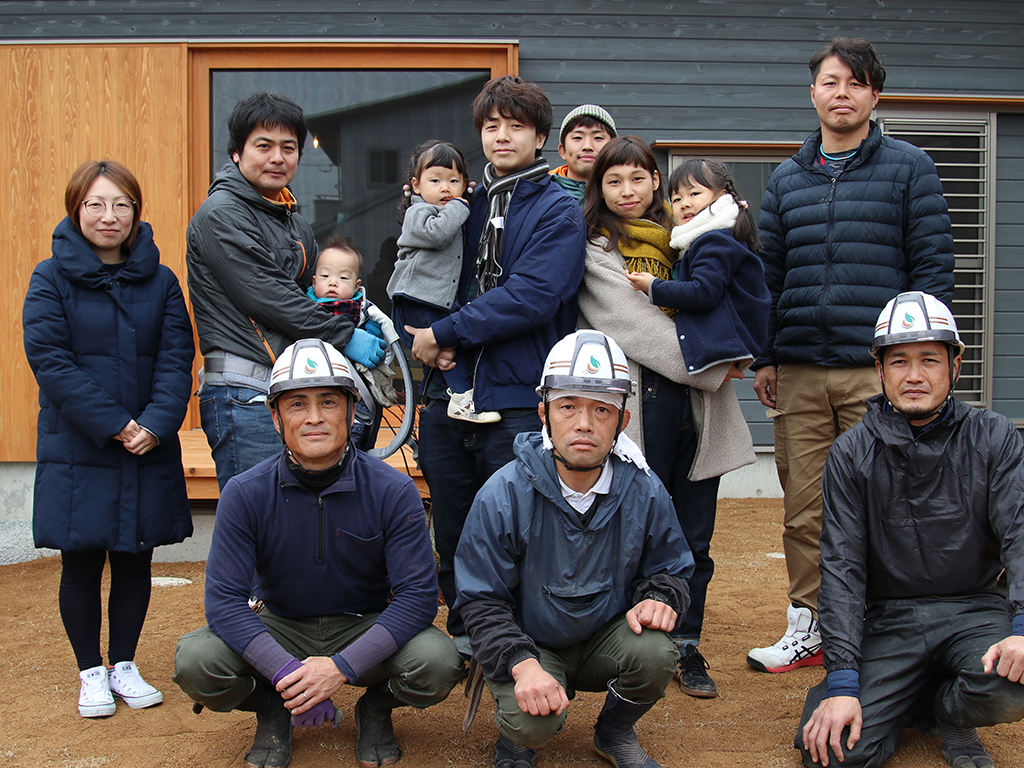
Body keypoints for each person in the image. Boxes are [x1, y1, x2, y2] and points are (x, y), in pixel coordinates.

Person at [748, 36, 955, 674]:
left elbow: (932, 269)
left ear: (874, 94)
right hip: (803, 371)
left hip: (880, 372)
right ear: (813, 93)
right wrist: (766, 358)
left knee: (896, 500)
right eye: (832, 82)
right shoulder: (786, 178)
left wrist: (919, 361)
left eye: (856, 83)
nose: (843, 94)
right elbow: (768, 280)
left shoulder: (909, 167)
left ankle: (890, 624)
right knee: (804, 505)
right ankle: (808, 626)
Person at [173, 339, 463, 768]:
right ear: (275, 418)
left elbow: (417, 600)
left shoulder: (394, 490)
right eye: (296, 405)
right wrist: (286, 675)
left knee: (438, 661)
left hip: (364, 627)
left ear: (350, 410)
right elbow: (223, 603)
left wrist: (340, 668)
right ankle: (273, 708)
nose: (314, 418)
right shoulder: (244, 493)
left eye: (329, 401)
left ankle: (376, 709)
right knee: (197, 660)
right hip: (281, 627)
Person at [797, 292, 1024, 768]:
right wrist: (841, 681)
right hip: (891, 620)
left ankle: (949, 712)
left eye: (929, 360)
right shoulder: (850, 453)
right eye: (899, 360)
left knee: (1013, 685)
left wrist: (1023, 627)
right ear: (879, 370)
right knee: (833, 756)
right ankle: (911, 695)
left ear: (955, 365)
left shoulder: (994, 436)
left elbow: (1020, 533)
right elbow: (841, 566)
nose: (914, 376)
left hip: (976, 608)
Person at [404, 75, 586, 648]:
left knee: (518, 527)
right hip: (444, 396)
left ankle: (518, 642)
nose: (501, 136)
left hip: (516, 398)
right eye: (491, 125)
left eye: (515, 125)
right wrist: (424, 329)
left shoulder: (558, 210)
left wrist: (446, 329)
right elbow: (422, 273)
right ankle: (465, 637)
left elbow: (534, 296)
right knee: (453, 527)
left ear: (539, 136)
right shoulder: (461, 205)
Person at [455, 330, 693, 768]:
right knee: (532, 724)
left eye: (602, 409)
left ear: (622, 421)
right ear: (544, 414)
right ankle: (516, 743)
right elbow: (481, 599)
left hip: (607, 639)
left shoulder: (645, 490)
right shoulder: (503, 492)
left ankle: (615, 731)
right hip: (531, 644)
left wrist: (660, 598)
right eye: (569, 407)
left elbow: (672, 568)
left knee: (657, 652)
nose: (584, 424)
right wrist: (522, 665)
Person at [578, 136, 755, 699]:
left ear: (656, 181)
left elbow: (729, 288)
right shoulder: (595, 247)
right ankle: (632, 643)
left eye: (638, 178)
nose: (627, 191)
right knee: (632, 535)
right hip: (641, 405)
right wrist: (713, 364)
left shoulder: (688, 236)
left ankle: (686, 643)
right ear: (598, 188)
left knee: (694, 539)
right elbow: (633, 324)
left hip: (699, 414)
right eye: (614, 181)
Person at [23, 159, 195, 718]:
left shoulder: (162, 280)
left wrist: (156, 422)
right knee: (80, 563)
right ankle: (90, 672)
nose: (109, 215)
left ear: (136, 212)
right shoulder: (50, 277)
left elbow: (176, 357)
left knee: (134, 559)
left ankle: (124, 663)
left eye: (121, 204)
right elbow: (50, 360)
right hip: (81, 446)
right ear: (77, 209)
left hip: (147, 442)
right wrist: (116, 424)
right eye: (96, 204)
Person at [186, 91, 386, 489]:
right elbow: (273, 299)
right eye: (264, 145)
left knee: (302, 517)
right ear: (237, 153)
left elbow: (313, 297)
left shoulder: (292, 221)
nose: (277, 157)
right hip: (245, 394)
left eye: (288, 147)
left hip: (289, 387)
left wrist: (353, 313)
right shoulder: (221, 214)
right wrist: (346, 334)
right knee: (257, 520)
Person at [386, 139, 498, 423]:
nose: (445, 188)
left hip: (430, 298)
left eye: (453, 180)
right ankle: (463, 397)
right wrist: (461, 206)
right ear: (417, 185)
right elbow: (437, 234)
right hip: (415, 297)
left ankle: (461, 397)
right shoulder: (419, 212)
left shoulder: (447, 212)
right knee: (448, 343)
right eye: (435, 180)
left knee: (446, 350)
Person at [627, 157, 770, 374]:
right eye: (676, 199)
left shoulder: (714, 240)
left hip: (727, 341)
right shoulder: (717, 237)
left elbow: (703, 292)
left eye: (694, 194)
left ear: (722, 196)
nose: (684, 203)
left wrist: (653, 286)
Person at [306, 234, 397, 451]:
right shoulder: (303, 310)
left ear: (357, 285)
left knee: (358, 445)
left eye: (343, 278)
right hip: (317, 393)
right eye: (325, 275)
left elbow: (386, 348)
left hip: (358, 394)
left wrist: (377, 341)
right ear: (314, 280)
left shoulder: (364, 313)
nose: (333, 282)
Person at [549, 104, 617, 203]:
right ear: (562, 151)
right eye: (577, 138)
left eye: (598, 138)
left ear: (613, 149)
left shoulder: (624, 194)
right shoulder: (541, 194)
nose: (587, 146)